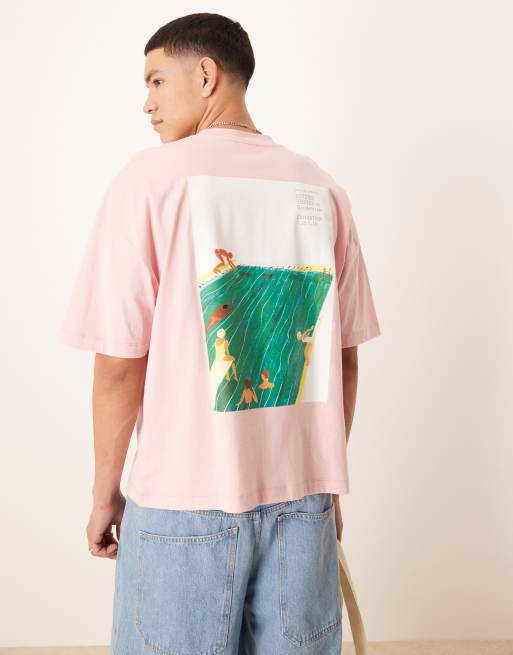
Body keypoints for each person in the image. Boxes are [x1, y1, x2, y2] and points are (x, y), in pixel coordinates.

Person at [58, 12, 381, 654]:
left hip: (182, 503)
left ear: (205, 75)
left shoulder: (149, 181)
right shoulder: (322, 188)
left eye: (156, 80)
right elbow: (343, 358)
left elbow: (119, 363)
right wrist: (322, 484)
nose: (146, 103)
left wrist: (104, 494)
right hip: (304, 505)